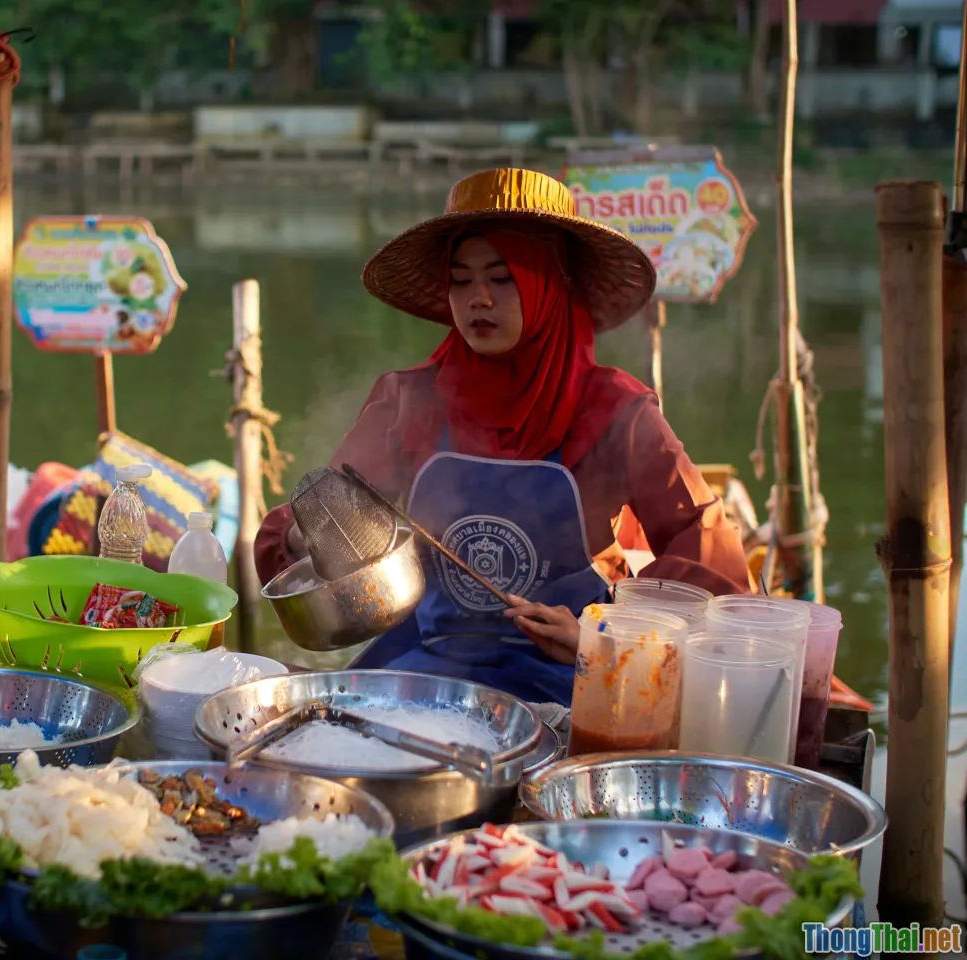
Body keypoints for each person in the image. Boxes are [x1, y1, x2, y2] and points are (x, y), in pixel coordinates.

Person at [254, 168, 750, 705]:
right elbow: (316, 513)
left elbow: (706, 545)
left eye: (503, 277)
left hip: (572, 675)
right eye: (461, 281)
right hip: (427, 664)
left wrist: (608, 632)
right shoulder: (408, 402)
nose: (478, 300)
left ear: (545, 282)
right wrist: (316, 536)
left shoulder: (615, 413)